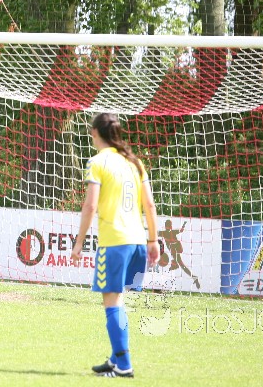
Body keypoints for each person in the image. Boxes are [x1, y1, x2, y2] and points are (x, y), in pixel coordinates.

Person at [70, 112, 158, 379]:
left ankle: (124, 365)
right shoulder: (134, 162)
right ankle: (116, 358)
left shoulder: (97, 162)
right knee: (118, 301)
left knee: (112, 303)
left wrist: (78, 243)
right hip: (138, 242)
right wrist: (153, 239)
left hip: (115, 243)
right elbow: (149, 204)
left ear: (95, 133)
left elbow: (90, 206)